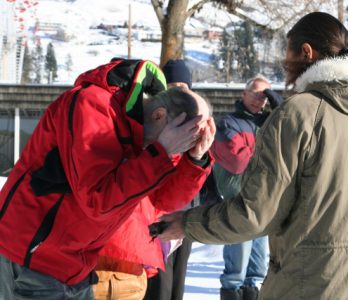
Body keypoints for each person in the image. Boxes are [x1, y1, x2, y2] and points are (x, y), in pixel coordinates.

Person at [159, 12, 348, 300]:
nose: (285, 65)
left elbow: (255, 215)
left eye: (287, 54)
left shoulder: (299, 113)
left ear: (306, 52)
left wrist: (186, 223)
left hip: (311, 286)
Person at [0, 58, 215, 299]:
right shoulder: (92, 104)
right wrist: (162, 151)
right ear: (159, 115)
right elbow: (96, 199)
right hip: (34, 255)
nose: (179, 148)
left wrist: (195, 160)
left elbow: (163, 201)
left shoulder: (153, 135)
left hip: (75, 263)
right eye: (183, 140)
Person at [210, 74, 282, 300]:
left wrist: (277, 104)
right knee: (236, 269)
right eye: (255, 93)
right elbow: (237, 162)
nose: (259, 100)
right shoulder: (227, 123)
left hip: (262, 201)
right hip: (237, 200)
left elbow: (291, 128)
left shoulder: (269, 122)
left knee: (256, 270)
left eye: (265, 96)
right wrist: (269, 153)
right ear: (243, 93)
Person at [144, 59, 197, 300]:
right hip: (158, 215)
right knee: (159, 287)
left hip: (186, 214)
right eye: (172, 84)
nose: (178, 90)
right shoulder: (154, 121)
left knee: (178, 283)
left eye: (183, 86)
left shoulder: (198, 123)